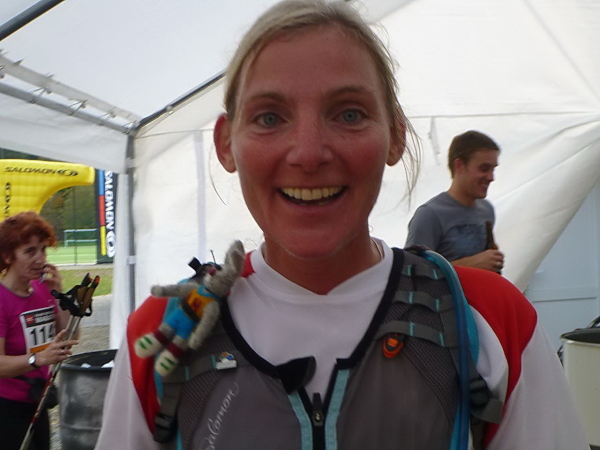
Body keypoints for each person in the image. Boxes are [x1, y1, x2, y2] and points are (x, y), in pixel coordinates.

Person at [96, 1, 588, 449]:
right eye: (269, 118)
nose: (309, 153)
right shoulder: (166, 331)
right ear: (226, 143)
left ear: (395, 133)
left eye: (349, 114)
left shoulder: (492, 320)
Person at [0, 211, 79, 450]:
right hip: (6, 406)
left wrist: (60, 297)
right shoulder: (2, 299)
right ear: (7, 256)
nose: (40, 259)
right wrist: (38, 359)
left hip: (38, 400)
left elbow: (71, 338)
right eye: (30, 251)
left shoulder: (44, 289)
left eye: (43, 249)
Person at [405, 130, 505, 273]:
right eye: (484, 169)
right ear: (459, 166)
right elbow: (412, 272)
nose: (491, 177)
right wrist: (470, 264)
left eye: (493, 169)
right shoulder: (430, 214)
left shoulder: (486, 210)